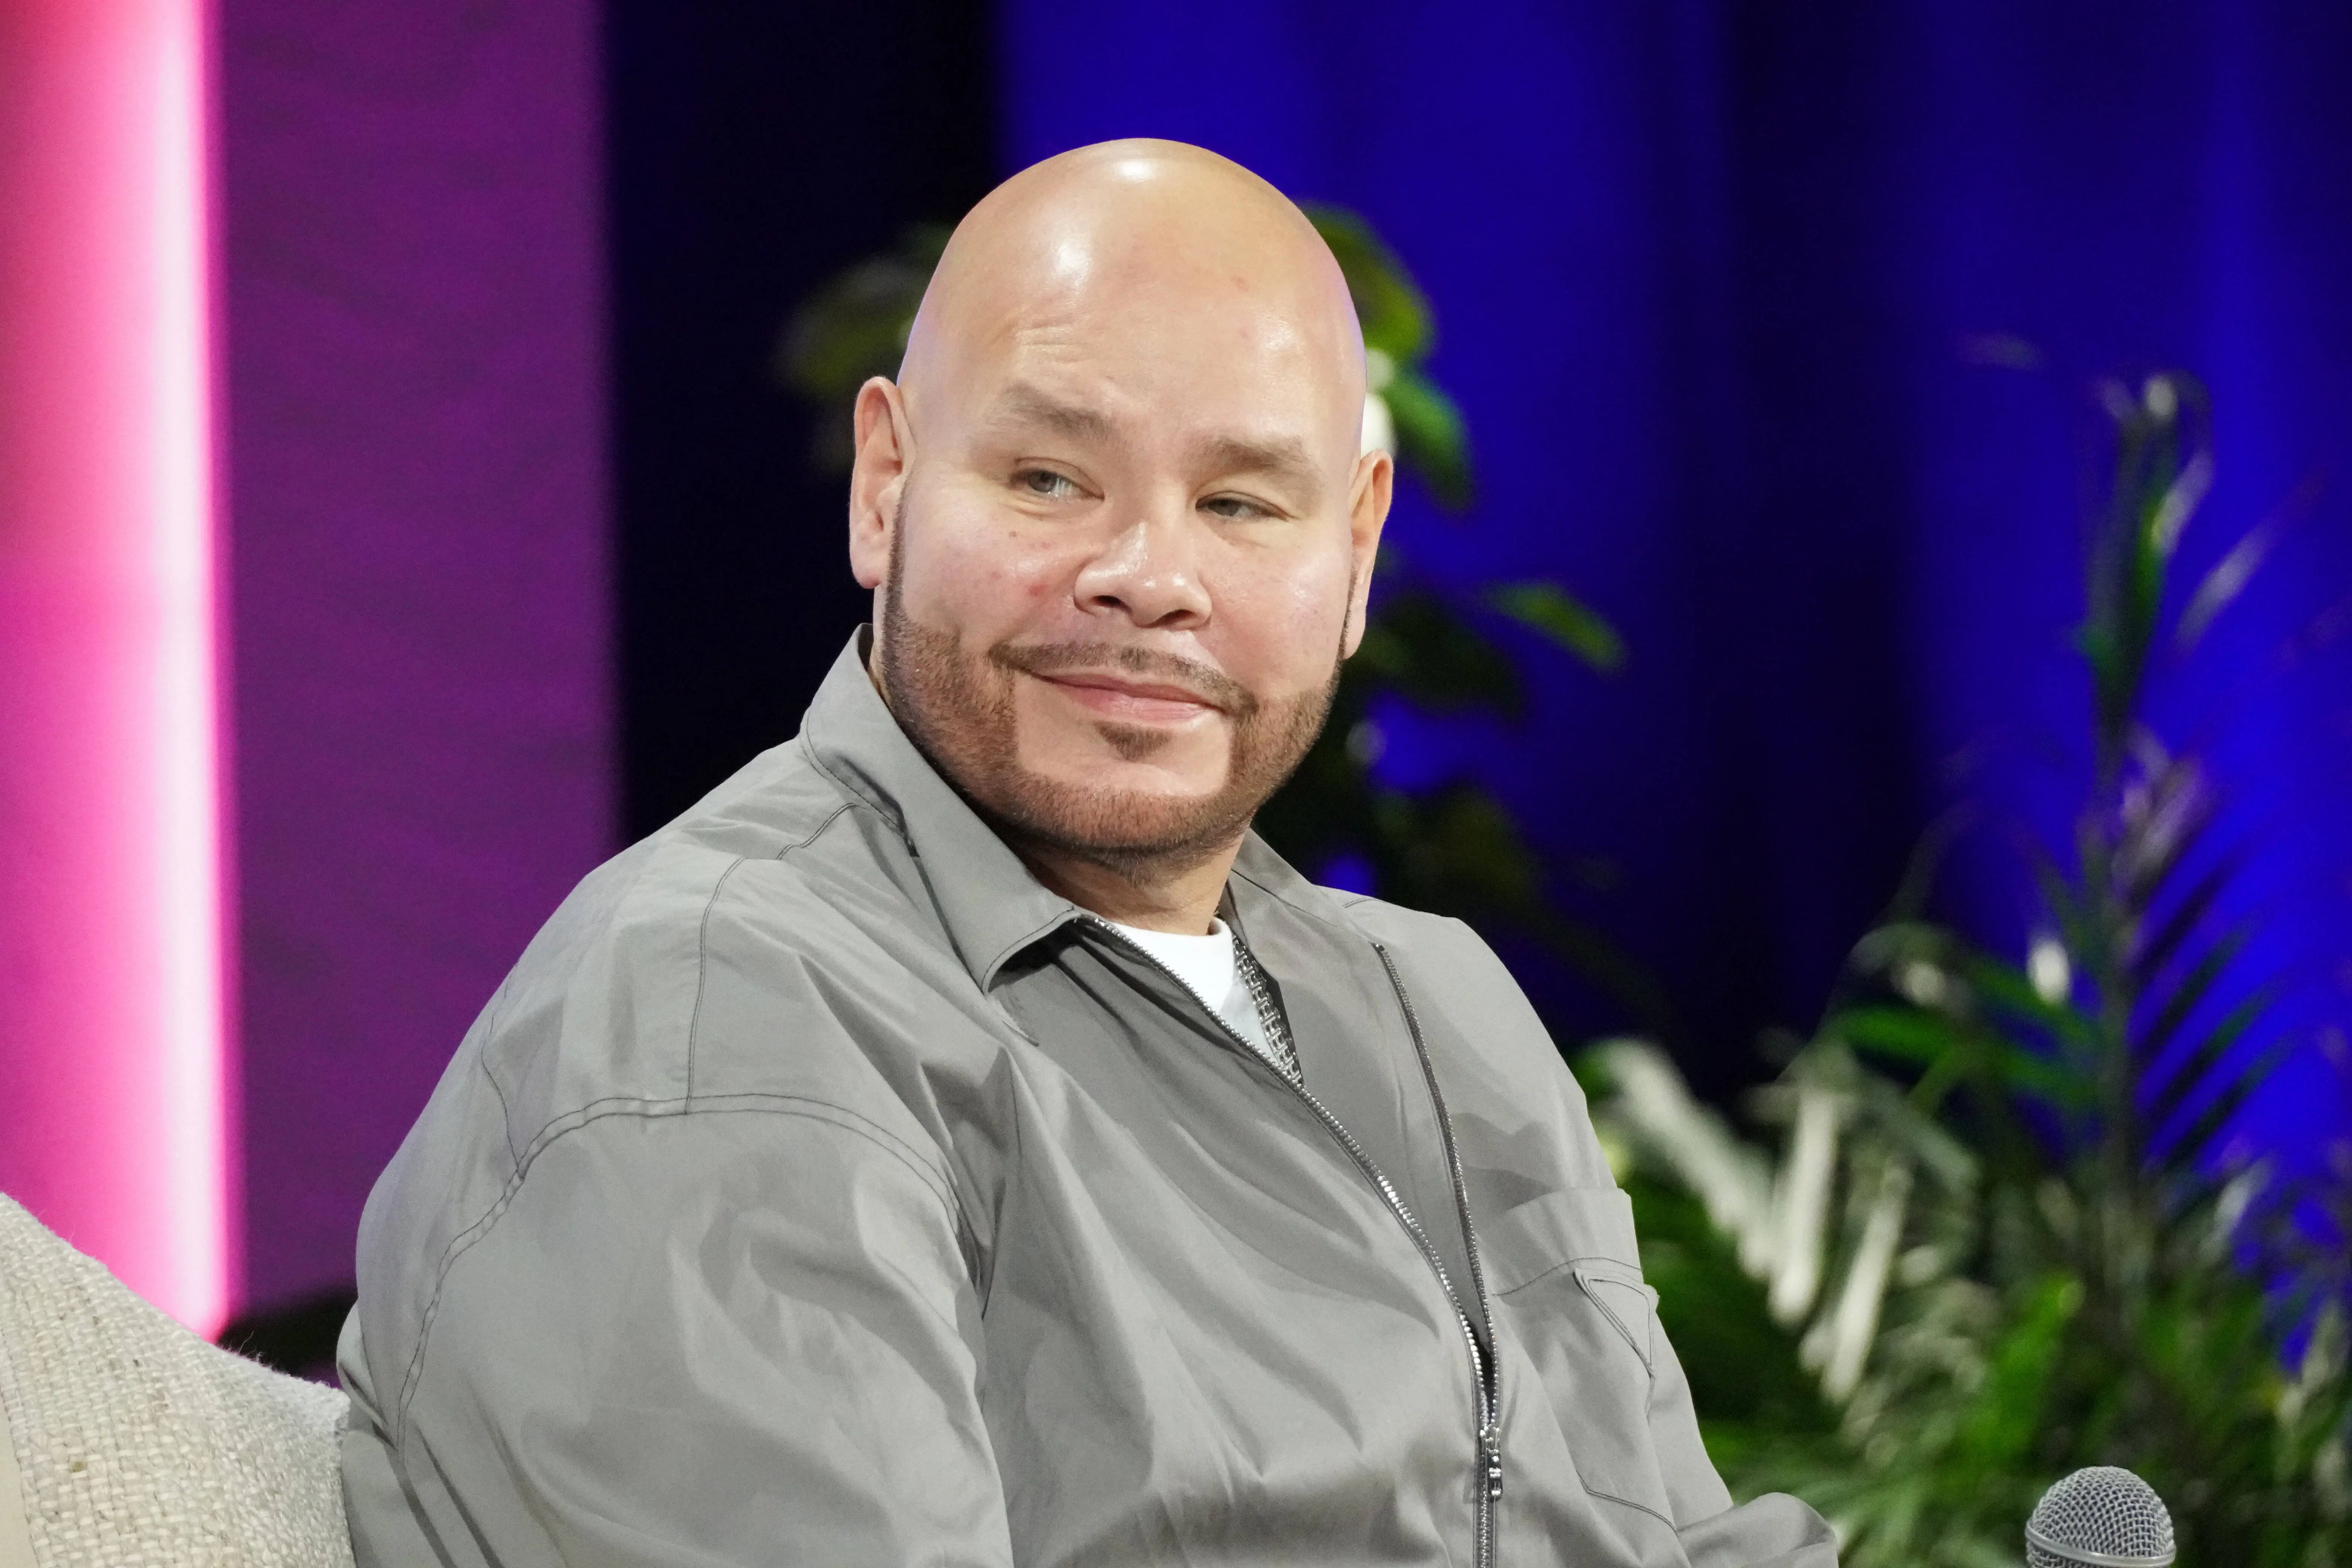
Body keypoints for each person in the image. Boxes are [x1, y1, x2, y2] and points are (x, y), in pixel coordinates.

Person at [338, 138, 1838, 1568]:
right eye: (1051, 478)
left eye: (1240, 502)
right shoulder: (719, 1009)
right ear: (886, 486)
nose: (1150, 576)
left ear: (1355, 554)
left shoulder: (1436, 1007)